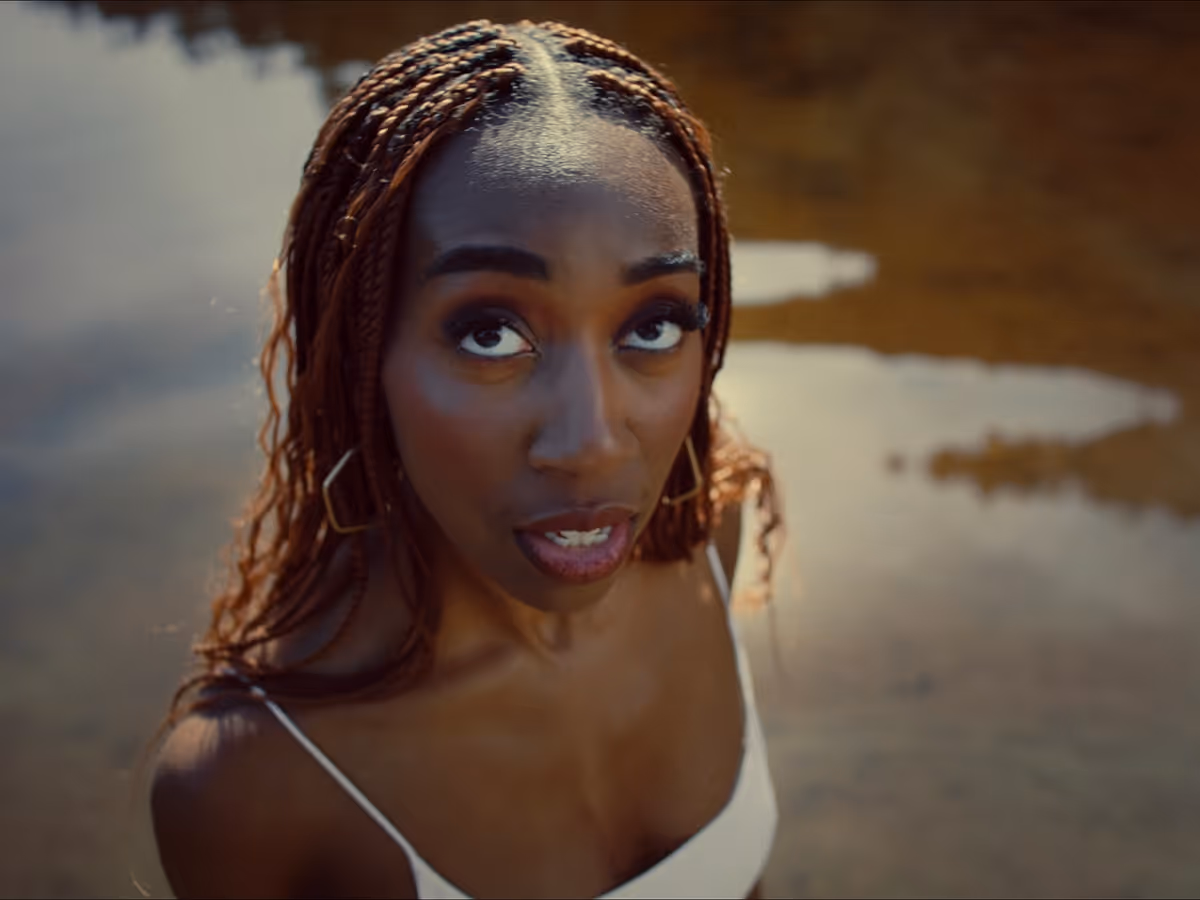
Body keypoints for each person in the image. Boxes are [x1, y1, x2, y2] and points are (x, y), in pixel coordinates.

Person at [148, 18, 782, 900]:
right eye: (491, 333)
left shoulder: (707, 534)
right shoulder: (259, 778)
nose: (592, 440)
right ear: (363, 359)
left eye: (653, 324)